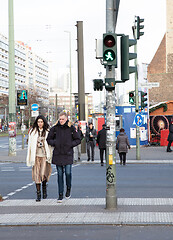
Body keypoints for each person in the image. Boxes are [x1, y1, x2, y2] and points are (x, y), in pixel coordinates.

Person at [47, 112, 81, 203]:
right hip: (58, 154)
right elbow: (48, 139)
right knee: (60, 175)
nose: (61, 121)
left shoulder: (71, 128)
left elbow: (78, 139)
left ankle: (68, 188)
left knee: (68, 173)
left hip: (68, 154)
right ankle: (60, 194)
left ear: (66, 119)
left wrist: (70, 144)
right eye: (60, 119)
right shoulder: (54, 128)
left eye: (63, 119)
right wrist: (55, 143)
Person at [26, 115, 52, 202]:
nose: (40, 124)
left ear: (44, 122)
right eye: (38, 122)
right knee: (36, 175)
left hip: (44, 156)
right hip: (36, 156)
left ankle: (44, 188)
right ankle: (38, 194)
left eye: (41, 122)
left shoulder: (47, 131)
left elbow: (50, 144)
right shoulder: (33, 132)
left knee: (43, 174)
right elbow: (30, 145)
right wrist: (30, 156)